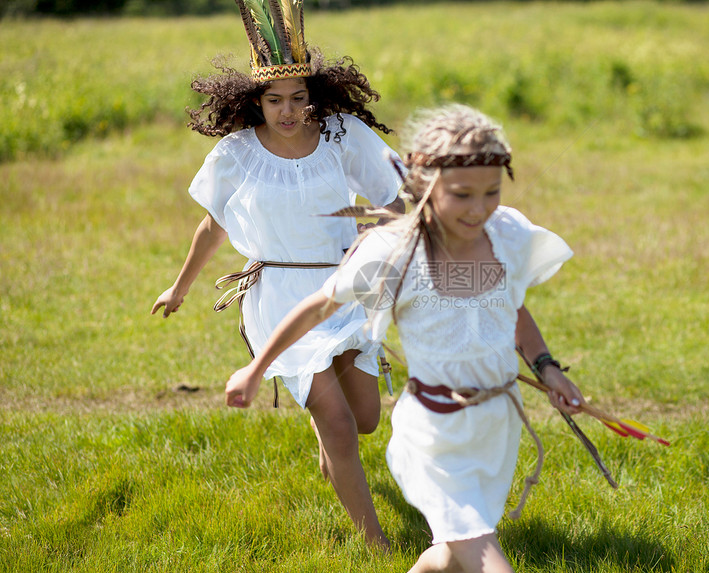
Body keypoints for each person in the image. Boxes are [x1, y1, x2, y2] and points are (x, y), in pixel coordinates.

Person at [224, 104, 586, 572]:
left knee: (446, 558)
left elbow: (511, 305)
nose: (478, 209)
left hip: (496, 428)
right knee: (484, 556)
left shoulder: (506, 235)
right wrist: (255, 370)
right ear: (424, 185)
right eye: (461, 195)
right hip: (434, 431)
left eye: (491, 192)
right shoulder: (394, 251)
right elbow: (317, 306)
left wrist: (547, 367)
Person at [150, 0, 403, 549]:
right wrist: (181, 286)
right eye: (274, 100)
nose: (287, 112)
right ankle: (378, 547)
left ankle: (331, 442)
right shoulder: (237, 154)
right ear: (254, 99)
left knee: (363, 420)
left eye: (298, 98)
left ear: (314, 95)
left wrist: (374, 231)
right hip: (278, 296)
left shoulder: (342, 134)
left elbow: (399, 197)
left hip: (343, 290)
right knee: (338, 425)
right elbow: (213, 227)